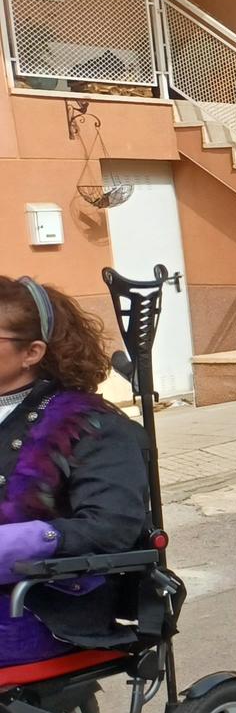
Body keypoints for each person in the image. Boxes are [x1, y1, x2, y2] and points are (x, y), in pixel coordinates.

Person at [0, 276, 149, 666]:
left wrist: (21, 541)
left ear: (31, 352)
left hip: (43, 603)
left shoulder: (90, 425)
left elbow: (111, 527)